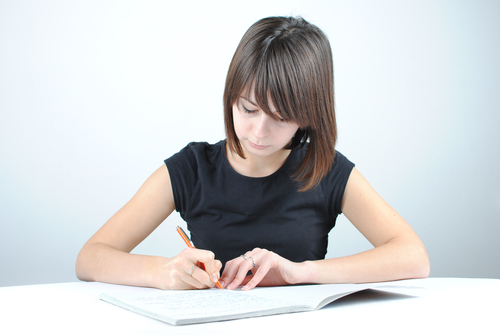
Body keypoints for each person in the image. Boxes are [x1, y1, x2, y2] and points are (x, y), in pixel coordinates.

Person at [75, 16, 430, 291]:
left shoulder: (325, 169)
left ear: (309, 115)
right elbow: (90, 258)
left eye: (281, 117)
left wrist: (300, 273)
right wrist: (161, 271)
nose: (259, 132)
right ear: (231, 98)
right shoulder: (191, 170)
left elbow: (414, 257)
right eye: (247, 109)